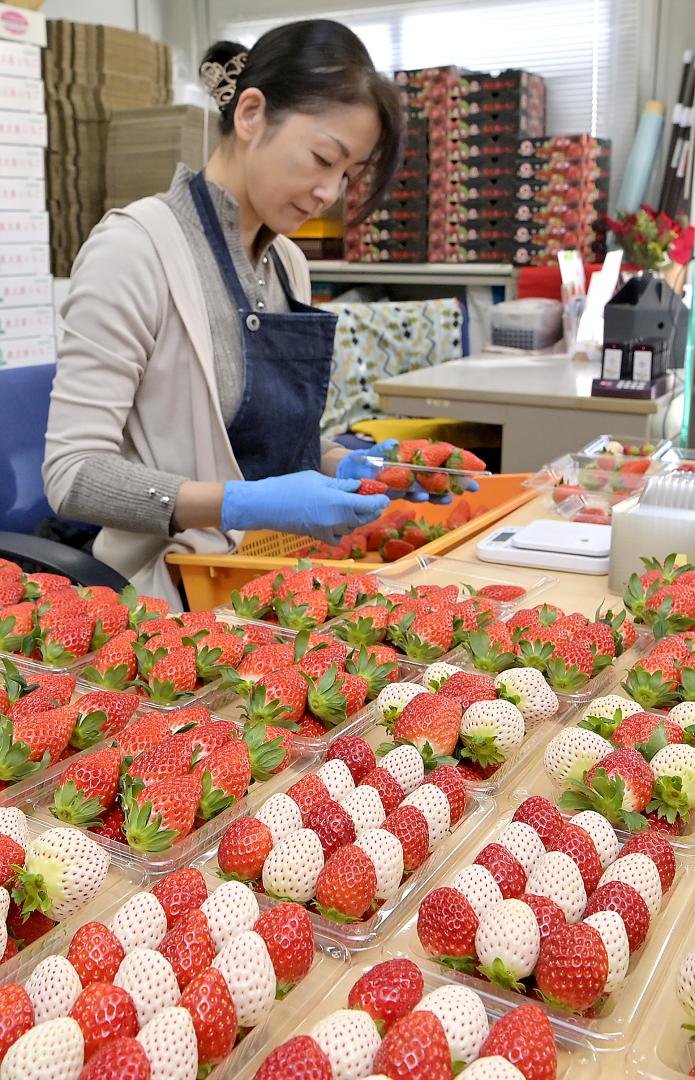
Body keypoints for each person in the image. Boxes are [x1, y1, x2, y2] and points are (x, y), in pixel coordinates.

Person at [43, 20, 470, 606]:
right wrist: (238, 503)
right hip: (176, 594)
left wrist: (345, 463)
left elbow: (257, 439)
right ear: (250, 114)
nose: (331, 194)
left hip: (278, 573)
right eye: (323, 158)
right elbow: (73, 475)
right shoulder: (135, 250)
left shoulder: (286, 263)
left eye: (347, 174)